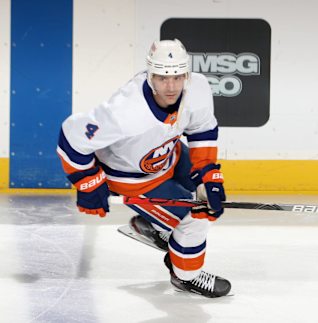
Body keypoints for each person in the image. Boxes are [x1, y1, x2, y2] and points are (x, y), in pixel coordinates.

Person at [57, 39, 231, 298]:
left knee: (209, 200)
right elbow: (71, 137)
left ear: (186, 74)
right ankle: (185, 276)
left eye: (177, 77)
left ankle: (159, 228)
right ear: (150, 75)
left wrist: (207, 173)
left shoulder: (199, 87)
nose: (171, 87)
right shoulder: (126, 111)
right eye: (162, 78)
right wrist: (87, 181)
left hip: (170, 155)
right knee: (196, 218)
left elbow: (202, 128)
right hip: (133, 178)